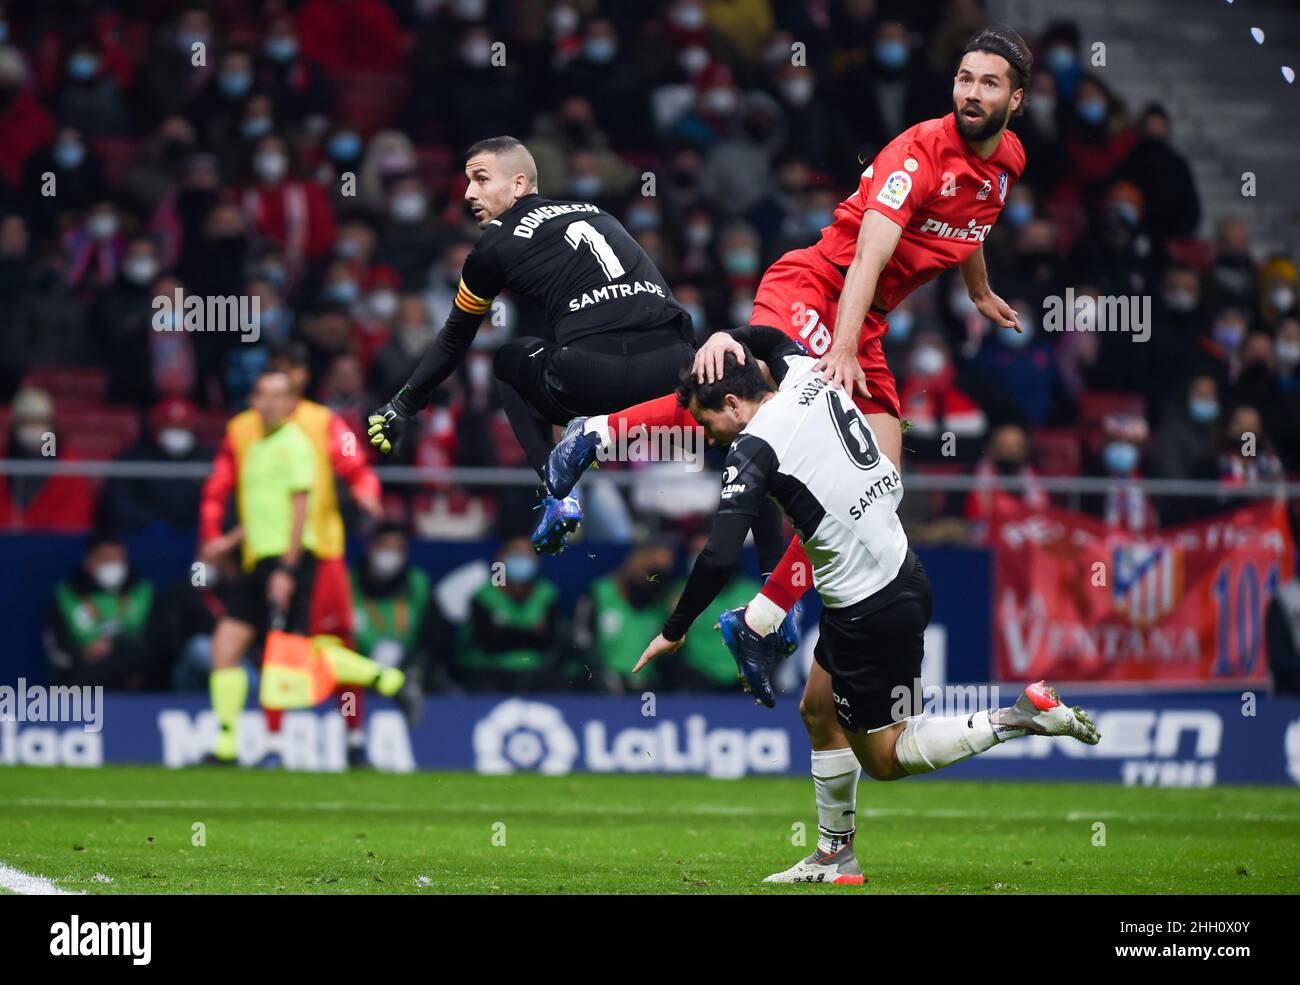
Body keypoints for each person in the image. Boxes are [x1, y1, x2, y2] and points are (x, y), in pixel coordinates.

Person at [547, 26, 1033, 859]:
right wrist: (837, 349)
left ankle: (763, 617)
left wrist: (980, 292)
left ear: (1014, 100)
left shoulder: (1007, 160)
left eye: (989, 83)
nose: (972, 92)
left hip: (865, 323)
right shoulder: (918, 147)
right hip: (820, 290)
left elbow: (972, 227)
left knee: (875, 487)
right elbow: (876, 246)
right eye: (964, 77)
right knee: (758, 414)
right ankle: (595, 435)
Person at [637, 338, 1099, 884]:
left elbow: (716, 556)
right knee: (816, 710)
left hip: (868, 610)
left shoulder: (754, 445)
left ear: (734, 404)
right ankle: (836, 857)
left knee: (884, 756)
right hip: (893, 574)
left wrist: (674, 629)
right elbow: (770, 336)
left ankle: (1017, 716)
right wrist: (725, 339)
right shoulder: (806, 370)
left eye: (706, 419)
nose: (707, 434)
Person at [364, 135, 697, 554]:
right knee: (752, 455)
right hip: (674, 367)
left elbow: (454, 339)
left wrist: (403, 405)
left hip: (595, 373)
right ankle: (778, 596)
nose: (469, 193)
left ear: (519, 184)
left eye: (481, 180)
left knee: (509, 359)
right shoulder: (598, 212)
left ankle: (557, 492)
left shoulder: (493, 246)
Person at [197, 370, 401, 766]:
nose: (269, 403)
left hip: (289, 561)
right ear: (253, 398)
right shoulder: (253, 442)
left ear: (293, 401)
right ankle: (226, 745)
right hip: (257, 560)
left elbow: (301, 511)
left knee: (292, 658)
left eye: (279, 395)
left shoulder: (298, 442)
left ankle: (386, 679)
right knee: (226, 646)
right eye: (263, 394)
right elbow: (257, 508)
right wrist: (225, 541)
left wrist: (287, 571)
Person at [43, 529, 158, 690]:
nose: (113, 564)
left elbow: (154, 641)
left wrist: (114, 645)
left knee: (137, 654)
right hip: (80, 675)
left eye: (117, 558)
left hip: (135, 680)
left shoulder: (141, 591)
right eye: (105, 559)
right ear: (88, 561)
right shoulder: (67, 595)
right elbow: (56, 649)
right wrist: (82, 656)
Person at [455, 537, 562, 692]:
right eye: (516, 554)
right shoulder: (484, 596)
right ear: (501, 559)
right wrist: (531, 633)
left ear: (538, 561)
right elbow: (490, 643)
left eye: (527, 555)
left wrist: (507, 632)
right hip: (489, 673)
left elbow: (547, 642)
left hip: (536, 674)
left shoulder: (548, 594)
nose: (521, 560)